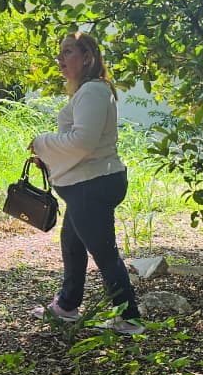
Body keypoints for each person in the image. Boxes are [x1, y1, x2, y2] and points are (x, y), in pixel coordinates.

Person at [30, 32, 142, 334]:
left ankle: (128, 317)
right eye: (60, 53)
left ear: (88, 58)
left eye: (68, 52)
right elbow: (82, 146)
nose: (60, 59)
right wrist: (49, 156)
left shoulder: (93, 90)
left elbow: (83, 142)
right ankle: (67, 305)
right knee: (72, 244)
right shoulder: (88, 92)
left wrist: (41, 142)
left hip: (93, 185)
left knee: (104, 252)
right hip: (90, 182)